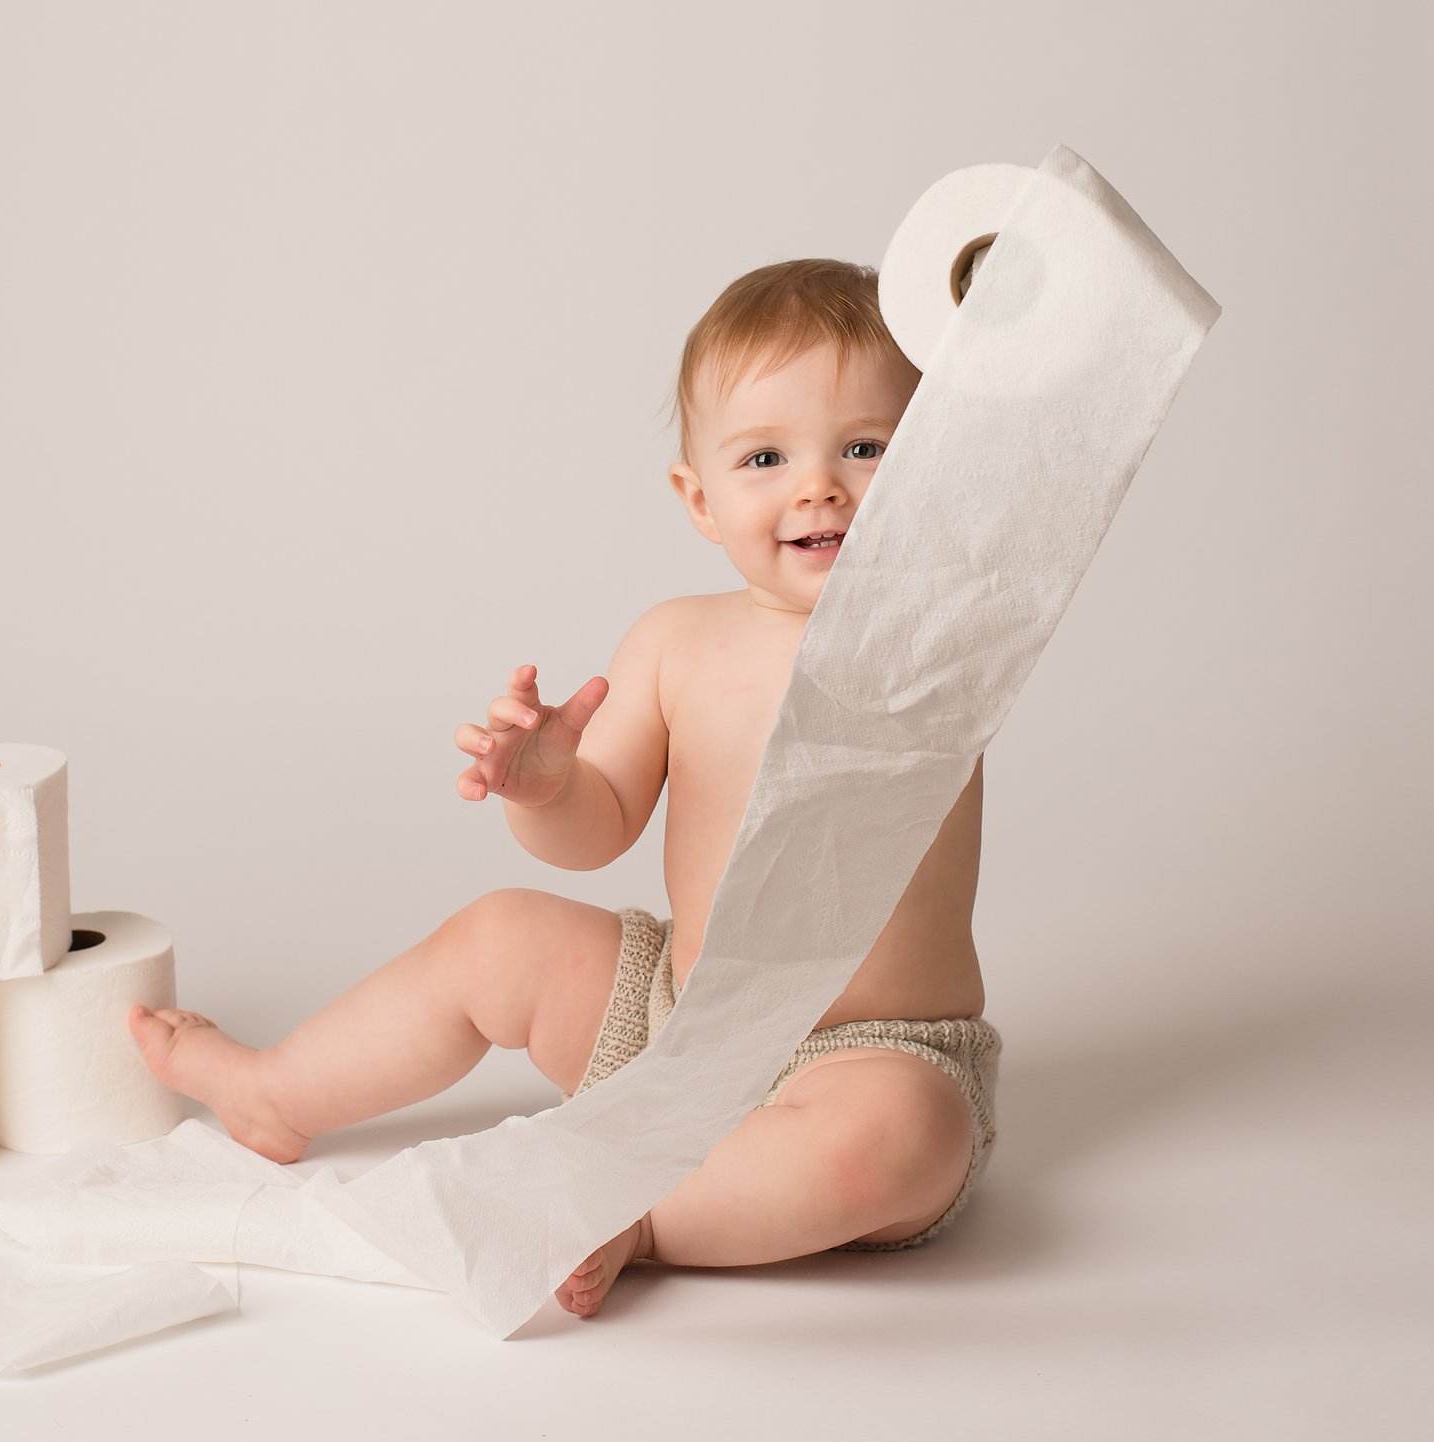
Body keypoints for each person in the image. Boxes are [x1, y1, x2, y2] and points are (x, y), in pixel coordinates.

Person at [128, 259, 1001, 1319]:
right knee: (501, 934)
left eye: (867, 448)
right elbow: (601, 829)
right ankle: (276, 1092)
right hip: (676, 1027)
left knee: (900, 1143)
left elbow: (1031, 468)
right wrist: (545, 787)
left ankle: (646, 1212)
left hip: (867, 1054)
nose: (820, 486)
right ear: (698, 496)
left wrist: (1006, 312)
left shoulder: (938, 633)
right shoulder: (676, 641)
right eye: (765, 456)